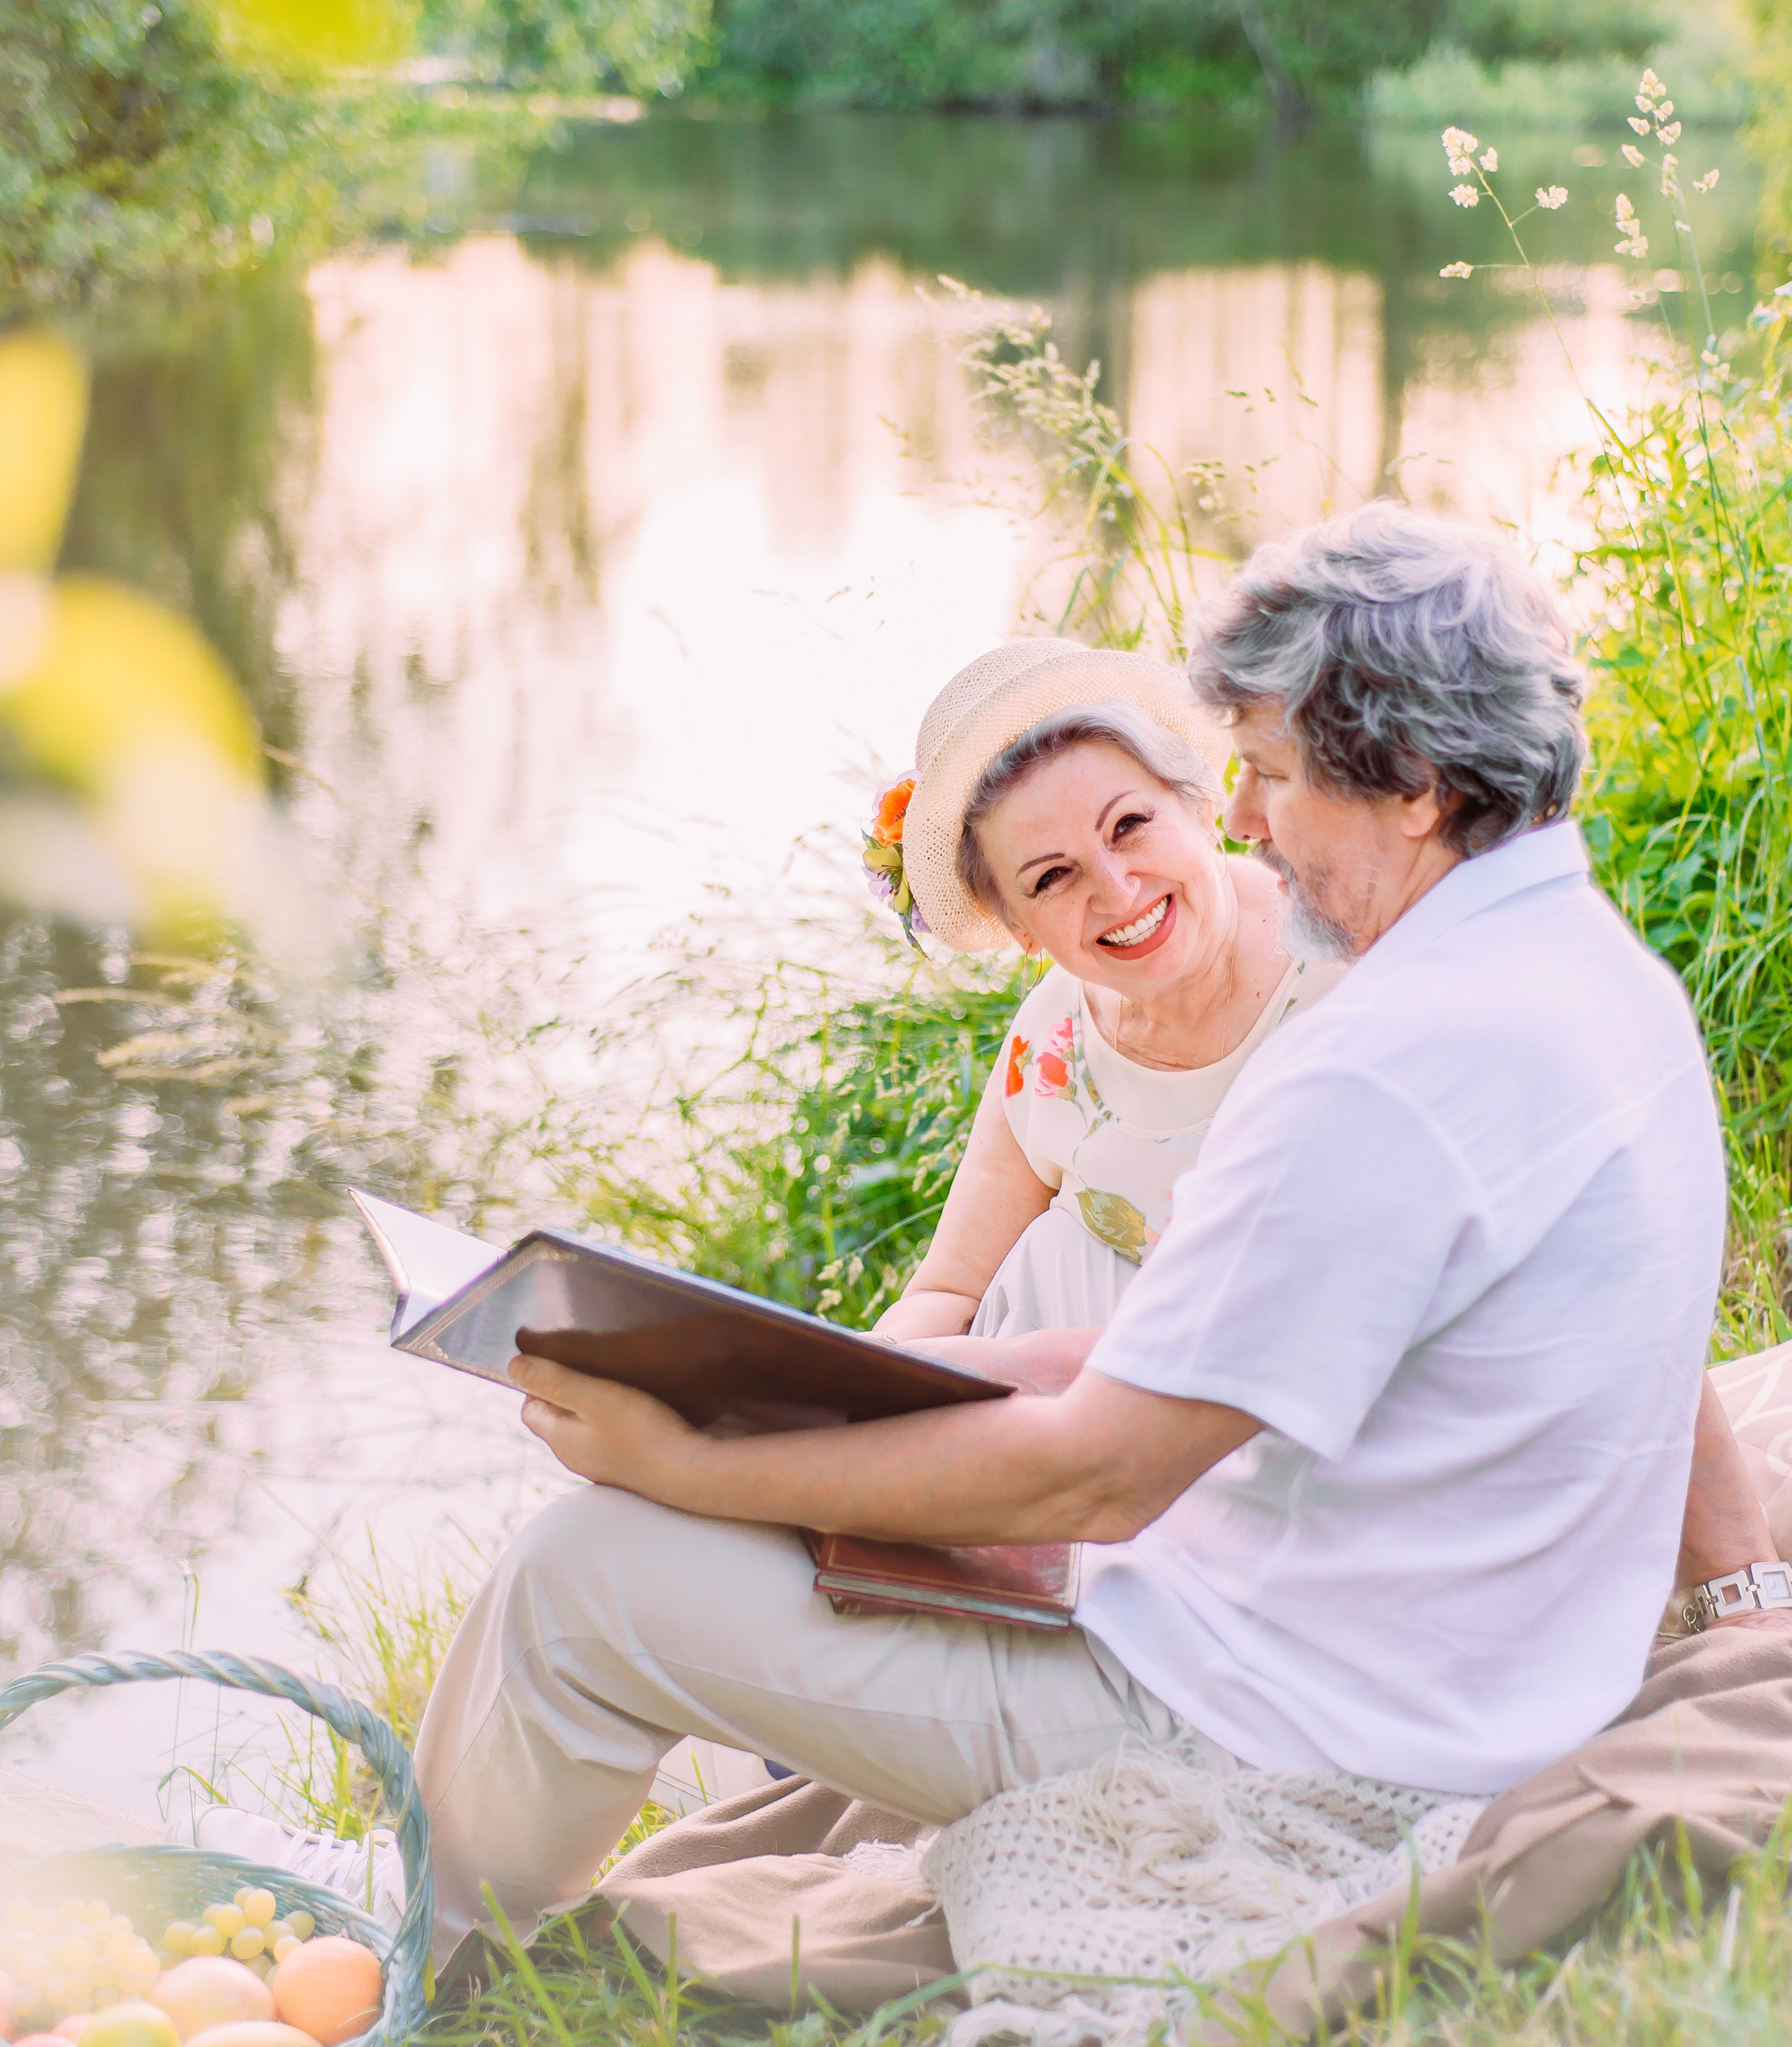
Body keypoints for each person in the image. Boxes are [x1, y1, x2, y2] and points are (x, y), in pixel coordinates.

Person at [207, 505, 1777, 1965]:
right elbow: (1215, 1367)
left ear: (1417, 785)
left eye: (1272, 772)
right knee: (810, 1510)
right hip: (1424, 1664)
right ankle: (461, 1900)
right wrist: (1736, 1600)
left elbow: (1096, 1472)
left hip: (1273, 1723)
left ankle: (440, 1977)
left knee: (584, 1576)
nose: (1239, 815)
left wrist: (689, 1468)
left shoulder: (1376, 1067)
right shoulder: (1590, 976)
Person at [862, 641, 1345, 1343]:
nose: (1117, 893)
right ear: (1019, 929)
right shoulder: (1050, 1040)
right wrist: (852, 1386)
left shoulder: (1351, 963)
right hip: (1060, 1420)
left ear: (1201, 804)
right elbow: (950, 1289)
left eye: (1129, 826)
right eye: (1051, 878)